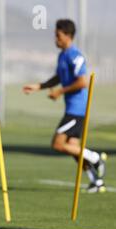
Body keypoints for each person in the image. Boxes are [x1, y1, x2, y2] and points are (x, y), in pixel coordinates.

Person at [23, 19, 107, 193]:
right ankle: (96, 181)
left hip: (77, 110)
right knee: (75, 150)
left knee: (58, 144)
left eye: (58, 35)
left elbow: (82, 82)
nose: (55, 39)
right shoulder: (62, 55)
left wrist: (59, 92)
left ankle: (95, 157)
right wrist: (38, 86)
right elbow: (59, 77)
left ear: (68, 36)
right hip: (72, 109)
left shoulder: (74, 55)